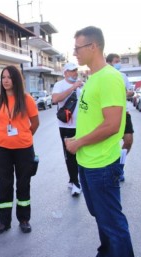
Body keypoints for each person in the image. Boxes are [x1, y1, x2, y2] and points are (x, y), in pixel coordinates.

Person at [65, 26, 135, 257]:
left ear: (93, 47)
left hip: (102, 164)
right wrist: (77, 138)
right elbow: (94, 117)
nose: (74, 53)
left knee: (113, 222)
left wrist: (78, 142)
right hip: (88, 161)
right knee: (101, 216)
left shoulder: (108, 78)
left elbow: (112, 124)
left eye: (78, 48)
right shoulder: (93, 77)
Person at [0, 65, 39, 235]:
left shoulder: (26, 99)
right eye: (3, 77)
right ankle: (4, 221)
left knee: (24, 184)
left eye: (9, 77)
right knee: (4, 184)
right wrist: (5, 136)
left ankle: (24, 219)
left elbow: (35, 123)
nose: (6, 81)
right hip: (3, 149)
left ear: (16, 80)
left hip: (24, 149)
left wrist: (24, 136)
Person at [52, 63, 83, 196]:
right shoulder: (60, 85)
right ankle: (76, 183)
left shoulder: (82, 85)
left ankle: (73, 180)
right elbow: (55, 99)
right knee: (70, 155)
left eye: (76, 70)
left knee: (80, 154)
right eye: (71, 71)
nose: (75, 73)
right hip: (66, 126)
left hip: (81, 125)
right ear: (65, 73)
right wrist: (73, 88)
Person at [106, 53, 134, 182]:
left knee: (128, 141)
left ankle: (120, 168)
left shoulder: (123, 76)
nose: (119, 64)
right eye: (116, 61)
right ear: (109, 62)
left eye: (119, 61)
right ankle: (111, 169)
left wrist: (126, 93)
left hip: (125, 113)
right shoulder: (105, 76)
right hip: (109, 114)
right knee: (112, 144)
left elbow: (131, 91)